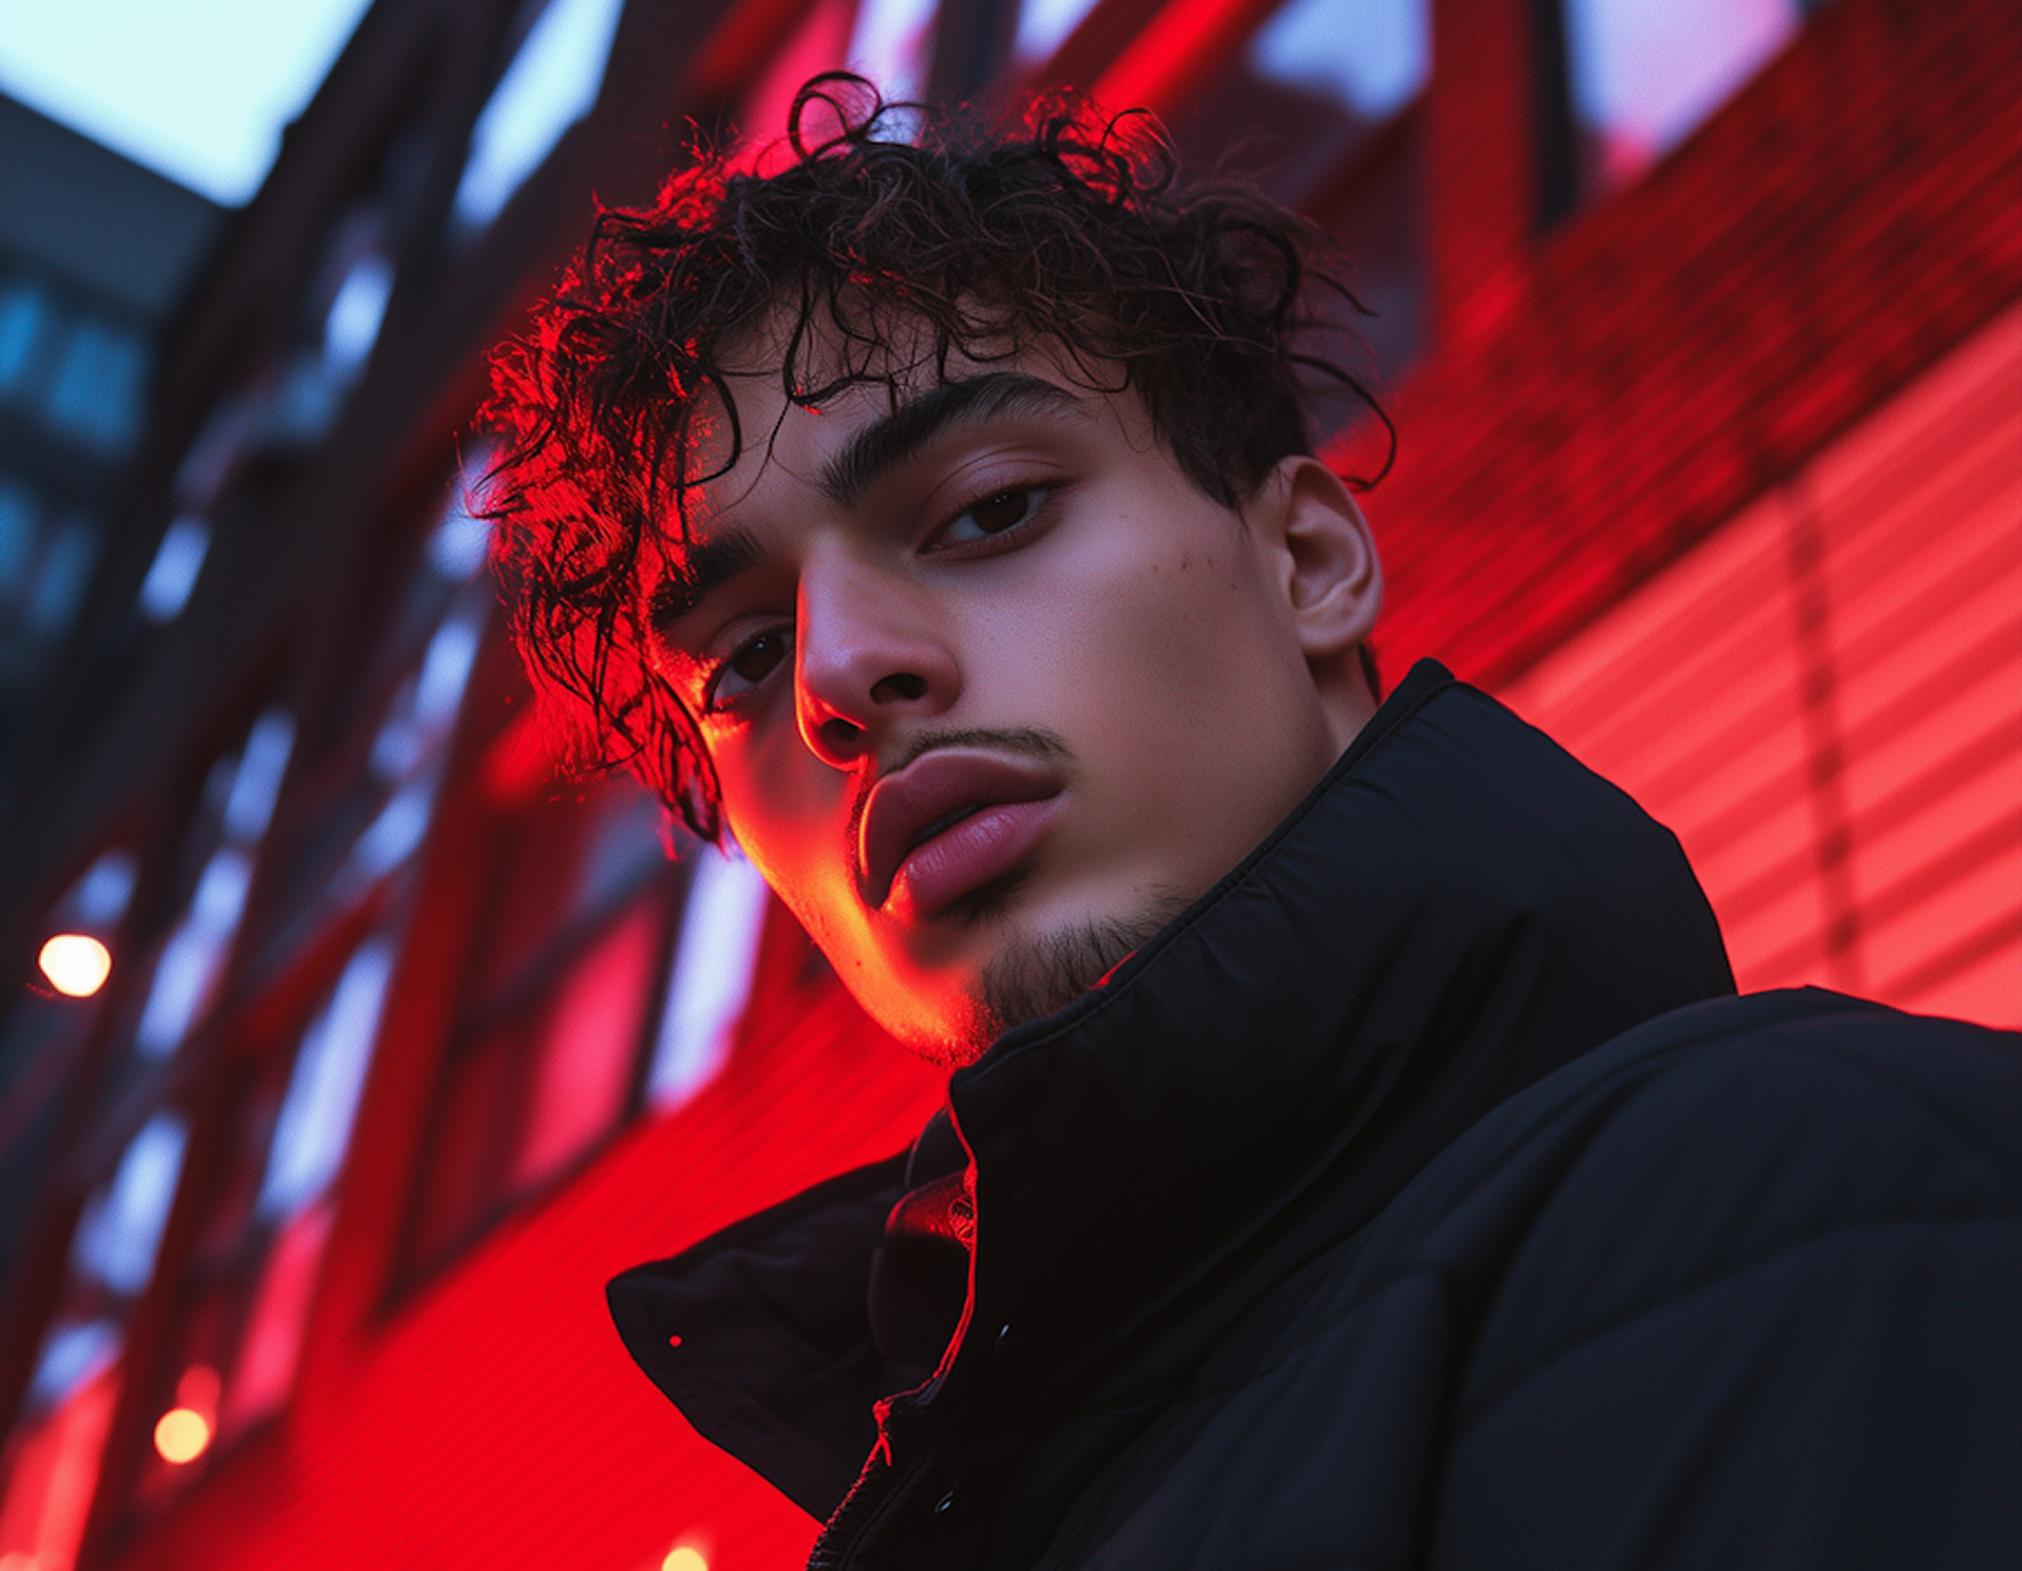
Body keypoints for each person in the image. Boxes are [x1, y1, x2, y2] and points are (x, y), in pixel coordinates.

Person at [480, 75, 2021, 1570]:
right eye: (743, 658)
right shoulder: (1002, 1459)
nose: (833, 674)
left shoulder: (1811, 1184)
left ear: (1305, 560)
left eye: (989, 508)